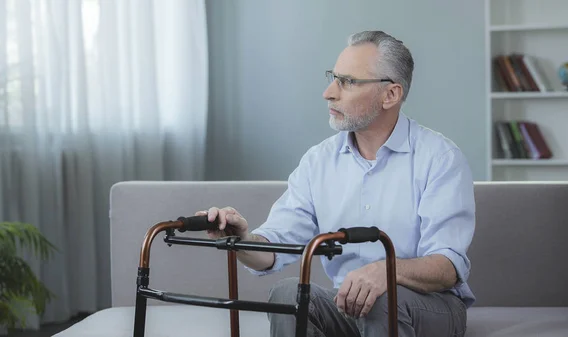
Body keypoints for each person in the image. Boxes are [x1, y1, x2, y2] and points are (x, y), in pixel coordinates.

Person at [196, 30, 475, 337]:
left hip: (431, 307)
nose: (329, 92)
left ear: (390, 95)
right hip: (352, 305)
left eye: (349, 82)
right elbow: (274, 251)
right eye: (334, 77)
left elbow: (447, 267)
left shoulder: (440, 158)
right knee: (289, 293)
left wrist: (384, 272)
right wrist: (241, 239)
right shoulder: (318, 161)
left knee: (382, 298)